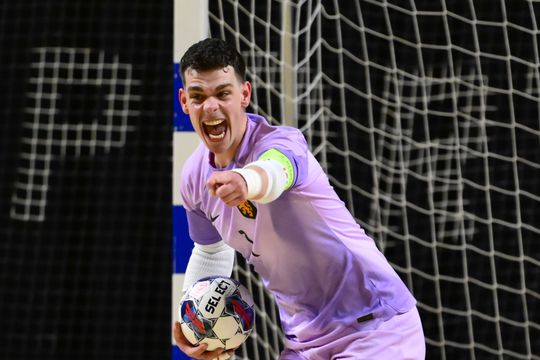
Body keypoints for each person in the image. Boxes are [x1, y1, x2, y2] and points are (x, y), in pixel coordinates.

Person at [173, 38, 425, 360]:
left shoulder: (281, 143)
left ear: (244, 95)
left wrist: (245, 181)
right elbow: (210, 250)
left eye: (223, 93)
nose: (210, 107)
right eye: (198, 97)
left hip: (375, 328)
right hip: (305, 342)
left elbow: (276, 171)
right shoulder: (194, 178)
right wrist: (194, 322)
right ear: (184, 101)